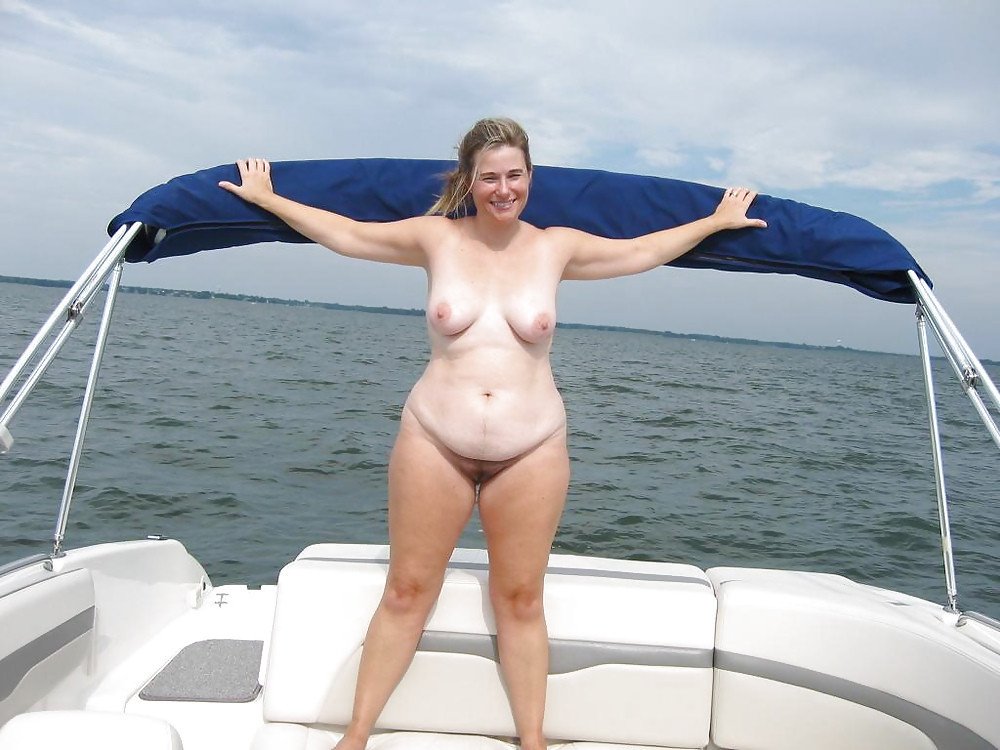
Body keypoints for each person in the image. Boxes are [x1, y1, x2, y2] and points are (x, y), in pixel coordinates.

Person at [219, 117, 766, 750]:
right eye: (489, 177)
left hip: (532, 446)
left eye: (515, 175)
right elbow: (348, 234)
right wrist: (268, 199)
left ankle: (532, 741)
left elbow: (641, 251)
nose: (504, 189)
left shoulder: (556, 247)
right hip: (433, 438)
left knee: (522, 600)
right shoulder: (436, 238)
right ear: (468, 181)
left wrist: (713, 223)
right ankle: (356, 737)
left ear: (531, 177)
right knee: (406, 591)